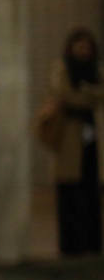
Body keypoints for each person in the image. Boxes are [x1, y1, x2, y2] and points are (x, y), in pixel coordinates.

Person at [47, 28, 104, 255]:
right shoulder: (62, 68)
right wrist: (90, 95)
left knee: (92, 193)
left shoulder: (96, 69)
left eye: (87, 47)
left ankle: (92, 243)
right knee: (69, 193)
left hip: (92, 137)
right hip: (69, 138)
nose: (83, 51)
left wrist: (86, 93)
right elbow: (65, 95)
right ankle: (71, 245)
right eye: (79, 46)